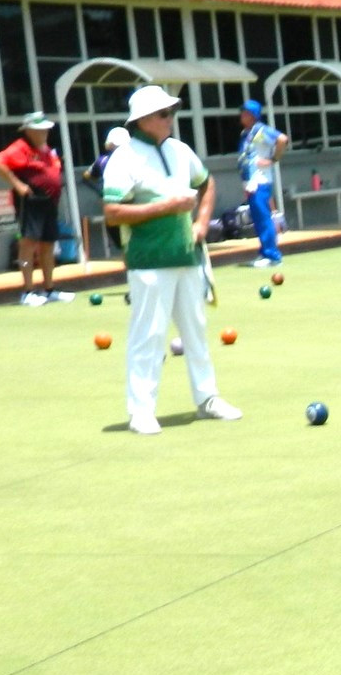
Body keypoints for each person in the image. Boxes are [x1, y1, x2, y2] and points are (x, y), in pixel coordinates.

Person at [102, 85, 242, 436]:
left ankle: (207, 398)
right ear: (144, 120)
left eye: (171, 112)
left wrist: (201, 223)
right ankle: (141, 411)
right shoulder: (124, 158)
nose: (171, 119)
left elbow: (207, 183)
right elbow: (113, 212)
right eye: (164, 114)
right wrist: (167, 206)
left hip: (187, 256)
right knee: (148, 335)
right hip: (148, 260)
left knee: (196, 331)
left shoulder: (180, 151)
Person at [0, 111, 73, 305]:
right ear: (27, 130)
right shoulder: (20, 148)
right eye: (38, 129)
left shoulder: (47, 150)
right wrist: (17, 185)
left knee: (48, 245)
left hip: (49, 203)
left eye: (45, 129)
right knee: (28, 245)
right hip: (31, 202)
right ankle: (27, 292)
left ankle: (49, 289)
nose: (43, 133)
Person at [237, 99, 288, 267]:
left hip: (260, 180)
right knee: (258, 218)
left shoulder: (261, 131)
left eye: (245, 113)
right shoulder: (246, 133)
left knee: (263, 217)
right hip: (250, 182)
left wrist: (272, 159)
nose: (241, 115)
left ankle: (272, 255)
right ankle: (265, 252)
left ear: (252, 115)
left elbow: (282, 139)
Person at [83, 126, 131, 253]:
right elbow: (87, 176)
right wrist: (101, 190)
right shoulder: (104, 161)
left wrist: (100, 190)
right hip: (121, 206)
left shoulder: (103, 160)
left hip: (122, 206)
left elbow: (87, 176)